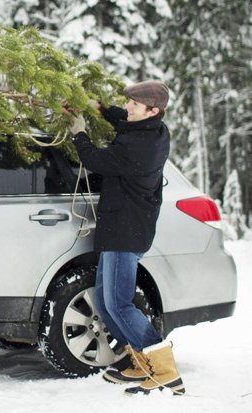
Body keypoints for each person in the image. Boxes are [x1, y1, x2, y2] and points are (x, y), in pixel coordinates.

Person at [67, 80, 185, 395]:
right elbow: (124, 119)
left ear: (153, 110)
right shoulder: (150, 130)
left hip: (126, 233)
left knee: (118, 303)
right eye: (129, 102)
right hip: (121, 229)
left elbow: (95, 160)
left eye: (135, 103)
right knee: (107, 305)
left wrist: (79, 132)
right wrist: (98, 108)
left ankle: (163, 369)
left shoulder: (139, 147)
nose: (128, 107)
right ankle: (140, 361)